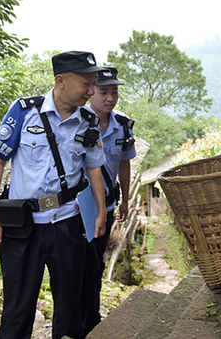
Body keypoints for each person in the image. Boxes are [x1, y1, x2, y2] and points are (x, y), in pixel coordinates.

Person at [0, 50, 108, 339]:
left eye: (93, 84)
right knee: (17, 310)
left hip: (67, 223)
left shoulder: (88, 120)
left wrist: (100, 212)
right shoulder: (24, 111)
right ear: (61, 80)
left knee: (69, 308)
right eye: (85, 84)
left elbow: (94, 169)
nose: (91, 92)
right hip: (23, 226)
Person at [81, 66, 136, 335]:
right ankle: (83, 320)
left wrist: (125, 200)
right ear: (91, 92)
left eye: (114, 92)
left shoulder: (123, 125)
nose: (110, 98)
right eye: (104, 92)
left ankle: (92, 317)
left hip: (109, 206)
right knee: (84, 263)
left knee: (97, 263)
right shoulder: (77, 122)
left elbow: (124, 164)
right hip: (79, 208)